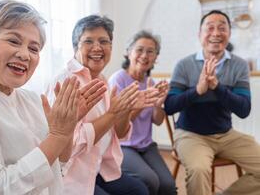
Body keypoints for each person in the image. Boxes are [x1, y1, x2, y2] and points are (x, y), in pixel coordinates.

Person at [0, 0, 105, 194]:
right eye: (13, 41)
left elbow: (59, 162)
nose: (24, 55)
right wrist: (58, 135)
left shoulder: (32, 99)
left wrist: (68, 126)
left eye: (34, 48)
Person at [45, 15, 151, 195]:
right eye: (88, 41)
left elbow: (119, 133)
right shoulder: (66, 81)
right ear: (75, 47)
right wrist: (112, 114)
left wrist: (126, 110)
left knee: (139, 190)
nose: (97, 47)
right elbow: (70, 145)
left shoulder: (102, 80)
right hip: (70, 174)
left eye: (104, 41)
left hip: (99, 166)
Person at [165, 10, 260, 195]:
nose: (216, 33)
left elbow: (243, 109)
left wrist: (217, 86)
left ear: (229, 34)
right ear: (199, 35)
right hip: (190, 134)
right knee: (199, 171)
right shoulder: (184, 65)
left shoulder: (239, 65)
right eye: (210, 28)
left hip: (226, 134)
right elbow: (170, 106)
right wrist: (197, 91)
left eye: (222, 28)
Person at [108, 30, 177, 195]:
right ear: (128, 52)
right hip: (122, 145)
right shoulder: (118, 80)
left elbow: (157, 120)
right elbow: (117, 126)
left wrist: (158, 104)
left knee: (168, 184)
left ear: (155, 58)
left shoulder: (150, 82)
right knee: (150, 180)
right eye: (139, 50)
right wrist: (140, 104)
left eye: (150, 51)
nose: (144, 55)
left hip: (146, 145)